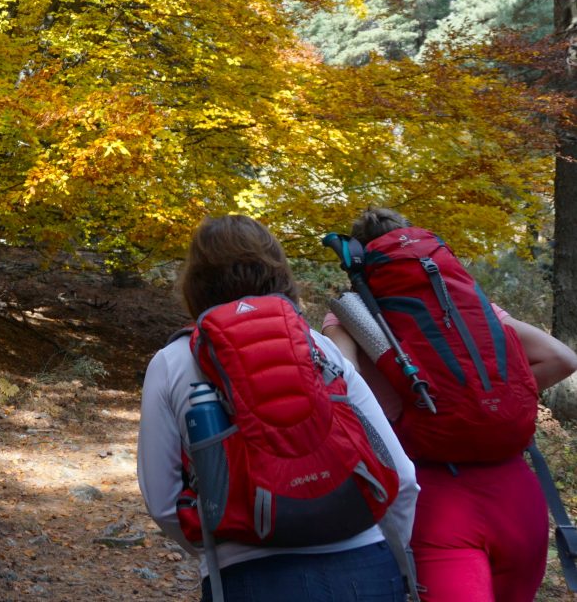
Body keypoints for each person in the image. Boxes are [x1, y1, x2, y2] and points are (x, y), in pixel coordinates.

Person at [139, 214, 419, 601]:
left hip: (248, 577)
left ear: (194, 282)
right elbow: (401, 476)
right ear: (280, 273)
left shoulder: (172, 361)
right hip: (364, 564)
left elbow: (162, 499)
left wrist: (217, 549)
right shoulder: (319, 347)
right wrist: (397, 560)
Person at [322, 207, 577, 602]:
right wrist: (501, 397)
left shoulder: (352, 318)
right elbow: (562, 359)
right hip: (516, 492)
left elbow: (341, 393)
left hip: (433, 497)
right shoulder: (471, 309)